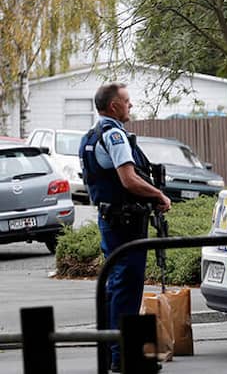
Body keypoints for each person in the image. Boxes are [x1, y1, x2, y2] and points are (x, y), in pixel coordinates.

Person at [79, 83, 171, 372]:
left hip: (110, 219)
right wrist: (158, 195)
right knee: (127, 287)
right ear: (114, 107)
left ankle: (109, 352)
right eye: (127, 101)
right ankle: (126, 357)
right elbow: (129, 179)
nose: (130, 105)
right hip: (126, 222)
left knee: (114, 285)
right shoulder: (115, 135)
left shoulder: (90, 136)